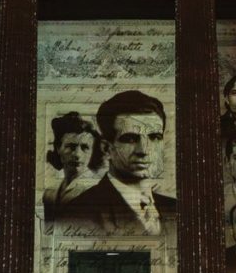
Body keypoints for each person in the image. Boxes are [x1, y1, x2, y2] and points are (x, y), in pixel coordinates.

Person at [57, 91, 176, 236]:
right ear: (106, 148)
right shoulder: (78, 213)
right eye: (131, 139)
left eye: (154, 137)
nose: (144, 150)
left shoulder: (175, 208)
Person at [42, 111, 104, 220]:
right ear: (58, 148)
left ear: (92, 151)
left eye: (85, 148)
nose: (77, 155)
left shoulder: (98, 190)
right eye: (71, 146)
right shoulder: (49, 193)